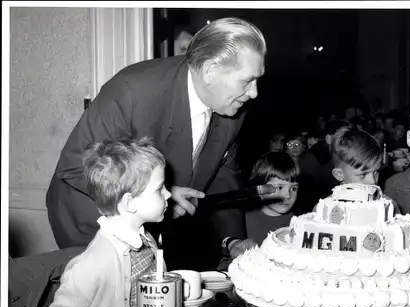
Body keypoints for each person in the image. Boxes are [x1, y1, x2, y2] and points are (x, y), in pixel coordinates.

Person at [45, 18, 267, 270]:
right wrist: (155, 195)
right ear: (210, 71)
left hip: (155, 219)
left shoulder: (233, 109)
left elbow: (223, 177)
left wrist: (231, 240)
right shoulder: (132, 90)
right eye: (247, 81)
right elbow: (76, 168)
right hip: (93, 217)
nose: (254, 93)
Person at [36, 138, 170, 307]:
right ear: (129, 202)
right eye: (160, 188)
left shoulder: (146, 239)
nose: (168, 194)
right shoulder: (94, 264)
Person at [217, 151, 299, 270]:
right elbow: (224, 252)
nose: (287, 195)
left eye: (294, 188)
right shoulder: (240, 220)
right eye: (279, 187)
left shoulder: (298, 223)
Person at [328, 124, 400, 212]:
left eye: (375, 172)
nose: (373, 181)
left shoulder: (388, 207)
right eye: (363, 174)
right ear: (339, 175)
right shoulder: (325, 210)